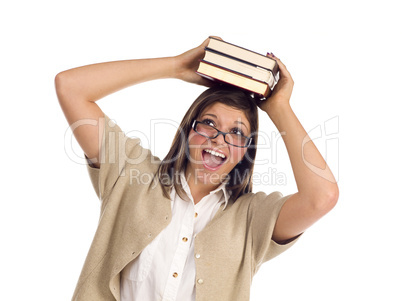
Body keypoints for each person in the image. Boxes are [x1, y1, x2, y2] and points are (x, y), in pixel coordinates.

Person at [55, 36, 339, 301]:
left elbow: (322, 197)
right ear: (189, 131)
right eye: (209, 123)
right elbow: (70, 86)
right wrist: (177, 67)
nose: (219, 139)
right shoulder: (131, 173)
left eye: (237, 133)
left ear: (246, 151)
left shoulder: (253, 218)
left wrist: (279, 107)